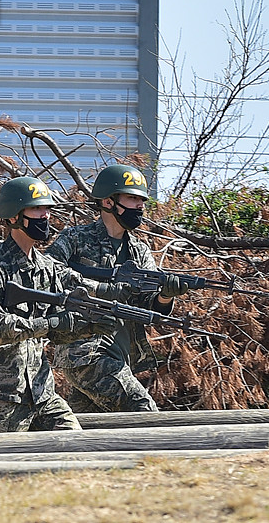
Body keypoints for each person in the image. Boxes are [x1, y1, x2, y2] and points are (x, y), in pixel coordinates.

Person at [0, 175, 121, 433]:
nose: (45, 215)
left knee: (76, 445)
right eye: (36, 208)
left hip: (42, 394)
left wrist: (90, 327)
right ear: (14, 216)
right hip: (0, 397)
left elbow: (57, 332)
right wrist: (52, 322)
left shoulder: (47, 268)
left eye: (47, 209)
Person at [45, 164, 190, 412]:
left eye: (141, 200)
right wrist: (101, 288)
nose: (140, 206)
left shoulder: (139, 251)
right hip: (85, 353)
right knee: (142, 410)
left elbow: (149, 306)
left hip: (121, 355)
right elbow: (48, 272)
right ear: (109, 202)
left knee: (91, 435)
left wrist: (166, 295)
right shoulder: (75, 239)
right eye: (132, 198)